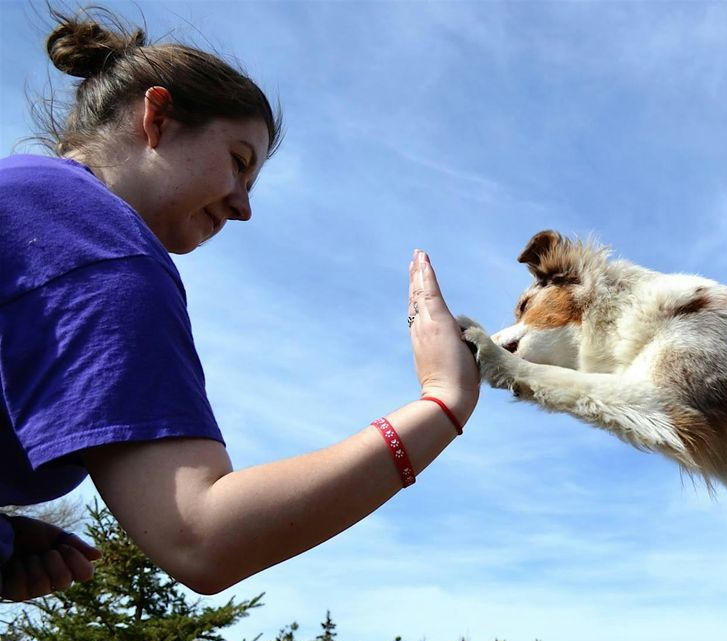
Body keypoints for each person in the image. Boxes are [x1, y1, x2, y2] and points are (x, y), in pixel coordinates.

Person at [0, 9, 480, 601]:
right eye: (238, 161)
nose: (242, 207)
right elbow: (201, 538)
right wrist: (443, 402)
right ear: (157, 119)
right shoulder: (98, 243)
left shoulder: (27, 198)